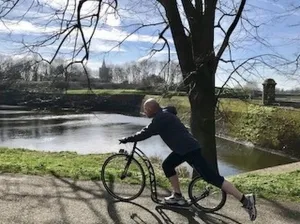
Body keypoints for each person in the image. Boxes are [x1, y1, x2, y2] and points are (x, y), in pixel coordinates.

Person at [119, 98, 257, 221]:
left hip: (189, 150)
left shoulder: (160, 119)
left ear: (150, 109)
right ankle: (178, 195)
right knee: (168, 165)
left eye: (145, 109)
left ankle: (246, 200)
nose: (144, 112)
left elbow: (145, 133)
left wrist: (127, 139)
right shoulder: (166, 114)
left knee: (213, 178)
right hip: (184, 150)